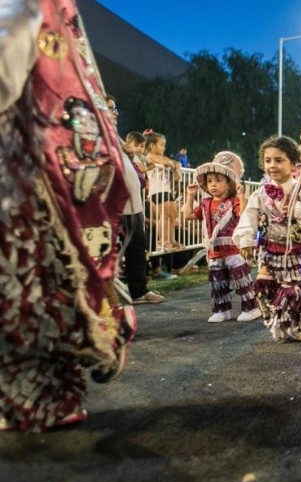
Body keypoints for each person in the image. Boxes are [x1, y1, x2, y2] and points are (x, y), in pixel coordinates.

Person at [1, 0, 133, 431]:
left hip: (26, 170)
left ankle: (50, 387)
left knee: (32, 286)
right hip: (28, 170)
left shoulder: (29, 8)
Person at [233, 135, 301, 341]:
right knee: (264, 286)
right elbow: (248, 217)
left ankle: (300, 324)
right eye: (268, 161)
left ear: (292, 163)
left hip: (294, 252)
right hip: (268, 250)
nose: (272, 165)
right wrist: (246, 240)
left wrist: (297, 209)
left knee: (290, 290)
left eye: (279, 160)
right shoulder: (260, 194)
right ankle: (278, 321)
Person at [182, 154, 260, 323]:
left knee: (242, 280)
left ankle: (251, 307)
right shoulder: (205, 203)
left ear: (229, 183)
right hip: (214, 252)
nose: (213, 185)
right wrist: (190, 195)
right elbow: (187, 215)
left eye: (218, 180)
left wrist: (241, 196)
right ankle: (221, 310)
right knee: (218, 283)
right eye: (209, 181)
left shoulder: (233, 202)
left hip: (233, 249)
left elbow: (244, 214)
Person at [106, 99, 164, 305]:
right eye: (109, 107)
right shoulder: (98, 134)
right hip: (112, 205)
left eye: (115, 108)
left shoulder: (115, 135)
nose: (115, 112)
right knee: (107, 252)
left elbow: (145, 162)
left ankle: (139, 292)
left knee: (137, 248)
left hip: (134, 204)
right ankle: (107, 299)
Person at [144, 130, 183, 252]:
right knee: (164, 214)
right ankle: (162, 241)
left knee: (173, 213)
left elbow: (175, 163)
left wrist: (176, 167)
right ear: (152, 145)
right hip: (157, 189)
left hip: (166, 189)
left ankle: (171, 240)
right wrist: (171, 164)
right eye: (161, 145)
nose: (164, 147)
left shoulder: (161, 157)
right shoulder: (149, 156)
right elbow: (166, 162)